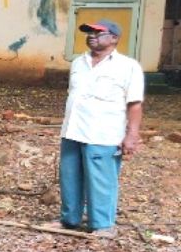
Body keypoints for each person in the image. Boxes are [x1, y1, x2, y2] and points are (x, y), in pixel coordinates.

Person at [46, 19, 144, 238]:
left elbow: (135, 104)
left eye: (98, 33)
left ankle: (102, 224)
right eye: (89, 32)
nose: (91, 36)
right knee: (70, 177)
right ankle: (69, 219)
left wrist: (132, 134)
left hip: (103, 132)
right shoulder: (78, 63)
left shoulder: (128, 66)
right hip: (73, 129)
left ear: (114, 38)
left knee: (102, 180)